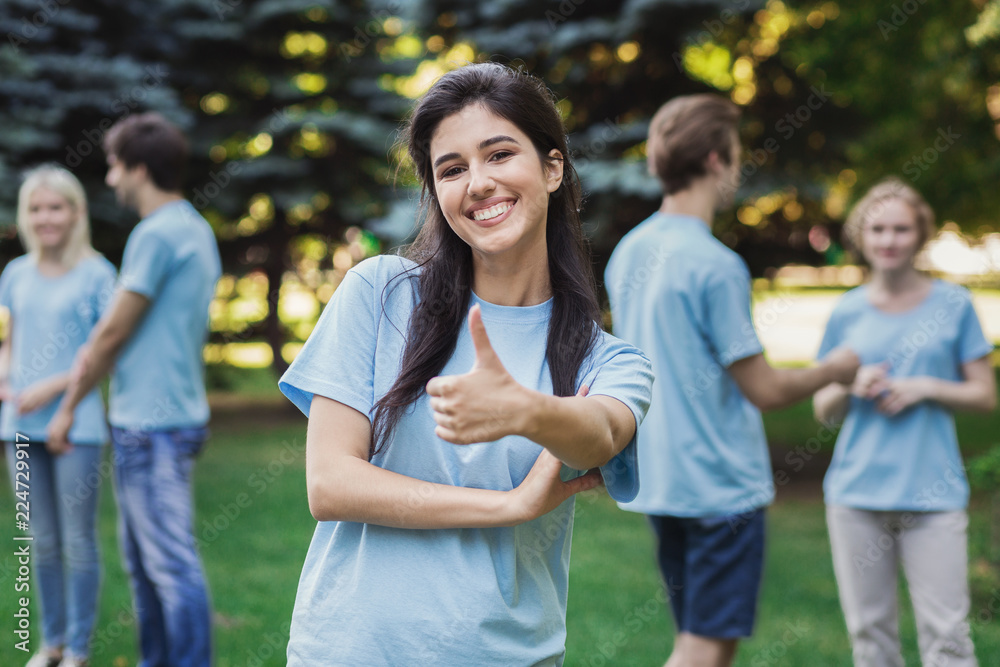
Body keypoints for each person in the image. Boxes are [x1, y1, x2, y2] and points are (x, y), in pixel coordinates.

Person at [277, 62, 654, 665]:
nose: (477, 182)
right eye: (451, 169)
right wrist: (508, 507)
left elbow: (602, 434)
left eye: (499, 154)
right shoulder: (380, 293)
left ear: (552, 167)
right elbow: (329, 484)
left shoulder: (607, 360)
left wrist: (526, 410)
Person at [604, 93, 860, 667]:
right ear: (717, 160)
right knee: (704, 649)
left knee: (697, 641)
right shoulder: (715, 264)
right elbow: (764, 390)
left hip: (661, 480)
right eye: (737, 153)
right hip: (719, 485)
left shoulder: (629, 252)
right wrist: (834, 370)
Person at [48, 112, 221, 667]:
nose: (112, 179)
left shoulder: (156, 234)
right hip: (167, 421)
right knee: (148, 565)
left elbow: (110, 334)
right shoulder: (194, 226)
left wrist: (68, 406)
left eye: (116, 167)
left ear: (140, 169)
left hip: (152, 426)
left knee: (167, 566)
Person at [813, 178, 995, 667]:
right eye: (878, 229)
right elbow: (822, 407)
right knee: (871, 639)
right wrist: (850, 385)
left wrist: (926, 387)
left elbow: (985, 396)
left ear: (920, 235)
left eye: (900, 229)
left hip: (933, 496)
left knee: (948, 637)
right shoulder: (847, 309)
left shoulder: (954, 304)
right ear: (861, 236)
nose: (889, 240)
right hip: (855, 496)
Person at [0, 166, 116, 667]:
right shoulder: (15, 274)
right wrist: (5, 377)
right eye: (36, 208)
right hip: (18, 427)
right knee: (39, 541)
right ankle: (49, 643)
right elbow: (9, 340)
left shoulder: (98, 273)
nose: (46, 217)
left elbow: (103, 351)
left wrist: (49, 386)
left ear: (75, 212)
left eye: (56, 207)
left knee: (76, 541)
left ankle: (78, 650)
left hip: (77, 426)